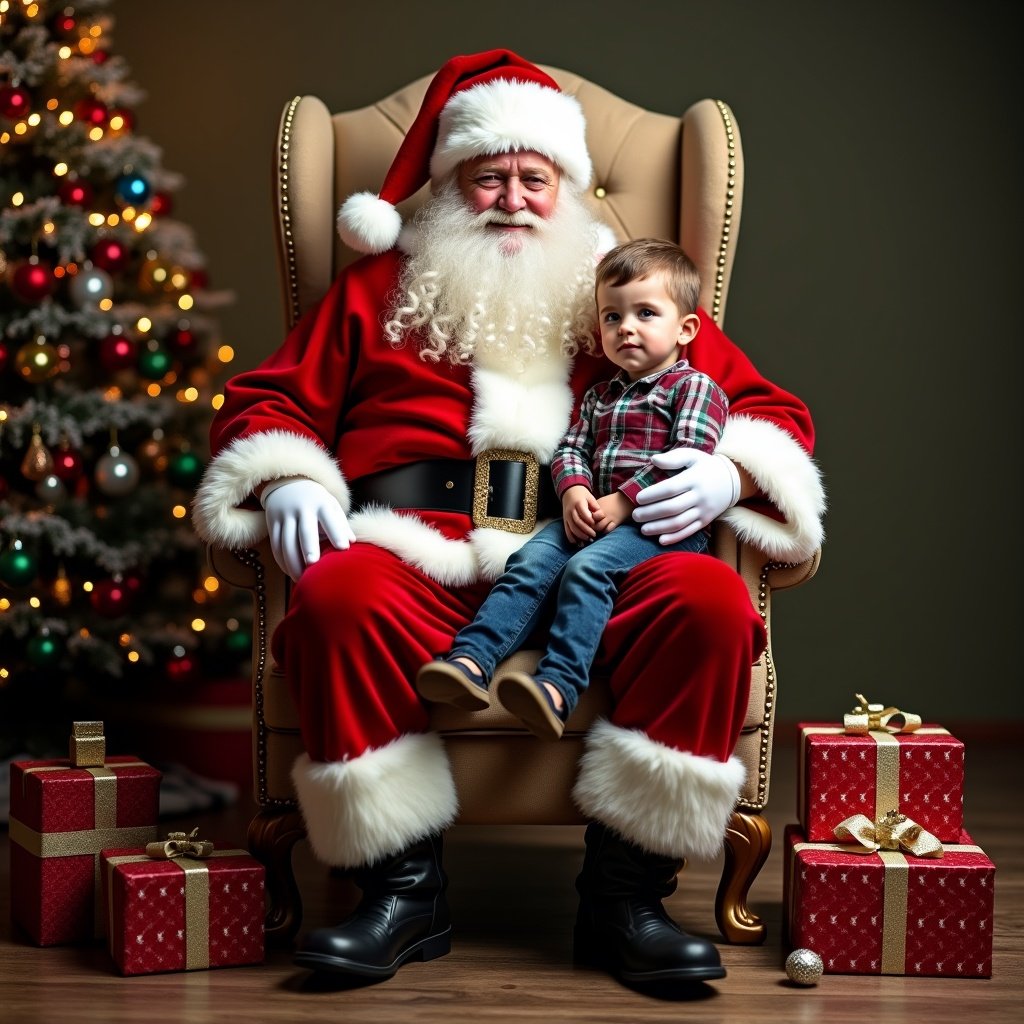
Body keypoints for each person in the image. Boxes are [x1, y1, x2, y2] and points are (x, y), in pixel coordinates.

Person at [192, 50, 825, 988]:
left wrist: (731, 472)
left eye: (536, 177)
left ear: (568, 186)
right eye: (489, 176)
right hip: (417, 550)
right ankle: (401, 894)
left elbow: (772, 410)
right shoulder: (379, 290)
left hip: (594, 549)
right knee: (332, 600)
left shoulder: (620, 297)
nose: (514, 198)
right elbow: (269, 402)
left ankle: (626, 899)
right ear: (449, 184)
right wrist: (286, 478)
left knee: (709, 602)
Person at [416, 238, 731, 742]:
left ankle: (557, 689)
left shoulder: (695, 389)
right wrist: (573, 490)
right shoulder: (599, 395)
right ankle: (470, 663)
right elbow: (570, 449)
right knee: (530, 562)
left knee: (587, 571)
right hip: (590, 515)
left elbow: (688, 457)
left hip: (657, 527)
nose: (625, 327)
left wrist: (625, 499)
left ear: (685, 328)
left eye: (646, 313)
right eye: (612, 316)